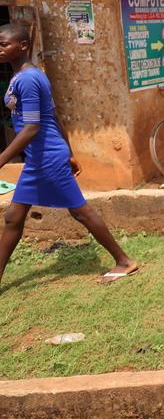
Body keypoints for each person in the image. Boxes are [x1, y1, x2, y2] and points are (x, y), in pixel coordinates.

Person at [0, 23, 137, 288]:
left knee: (80, 212)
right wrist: (70, 152)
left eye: (4, 44)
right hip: (42, 157)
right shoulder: (26, 75)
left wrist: (2, 158)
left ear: (23, 46)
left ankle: (124, 261)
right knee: (13, 218)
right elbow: (54, 116)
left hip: (46, 157)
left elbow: (32, 127)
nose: (0, 48)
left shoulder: (28, 78)